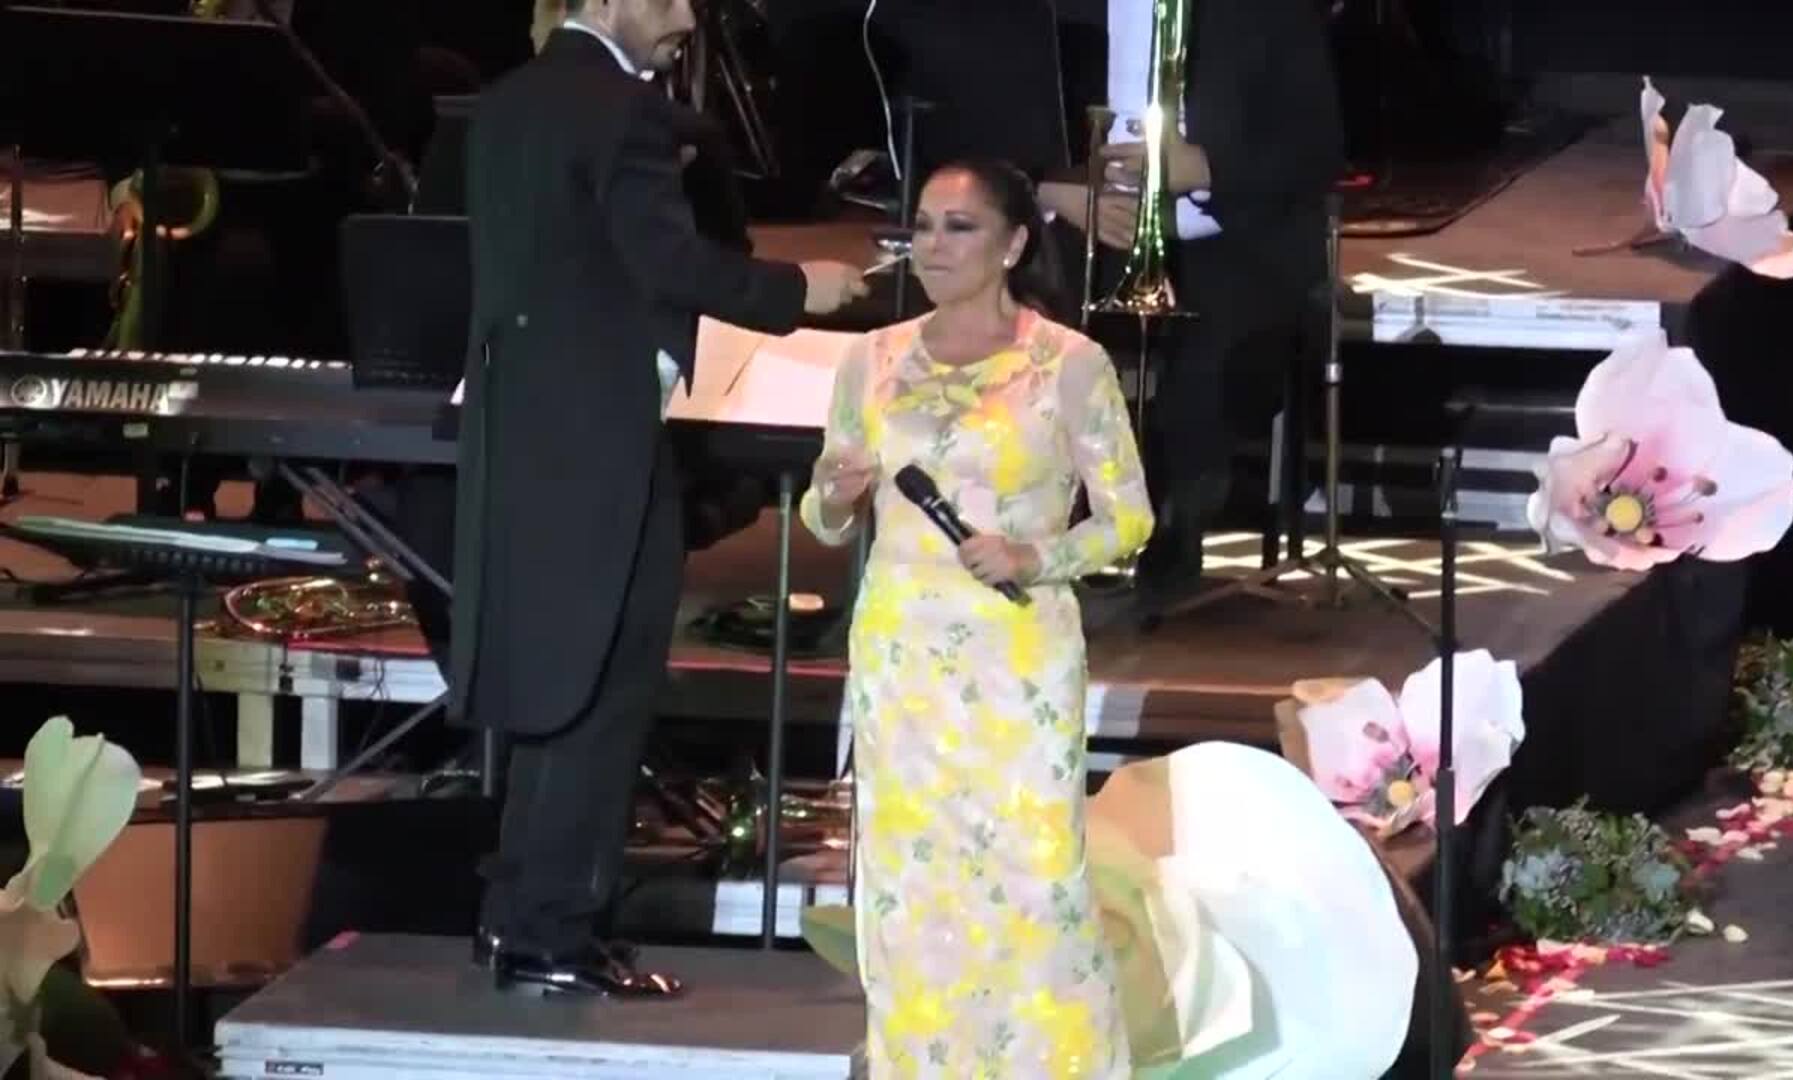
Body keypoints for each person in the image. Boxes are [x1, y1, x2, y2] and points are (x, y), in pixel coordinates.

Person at [449, 0, 868, 999]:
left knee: (555, 684)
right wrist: (797, 288)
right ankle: (555, 936)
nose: (686, 19)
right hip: (600, 441)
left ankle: (519, 919)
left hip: (521, 429)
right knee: (604, 688)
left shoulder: (505, 104)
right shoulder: (626, 108)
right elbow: (666, 259)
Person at [801, 159, 1151, 1076]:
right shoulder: (870, 358)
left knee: (1033, 878)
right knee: (912, 881)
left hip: (1016, 653)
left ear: (1015, 244)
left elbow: (1128, 518)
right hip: (902, 653)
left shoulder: (1068, 363)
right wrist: (833, 495)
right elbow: (825, 517)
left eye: (959, 227)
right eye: (922, 226)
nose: (933, 246)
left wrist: (1037, 556)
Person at [1036, 0, 1344, 607]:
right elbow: (1000, 135)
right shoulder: (1057, 14)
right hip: (1089, 223)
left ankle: (1168, 524)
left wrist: (1203, 166)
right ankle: (1037, 521)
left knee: (1209, 369)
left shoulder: (1266, 12)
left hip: (1233, 234)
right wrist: (1056, 190)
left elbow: (1317, 151)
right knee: (1021, 330)